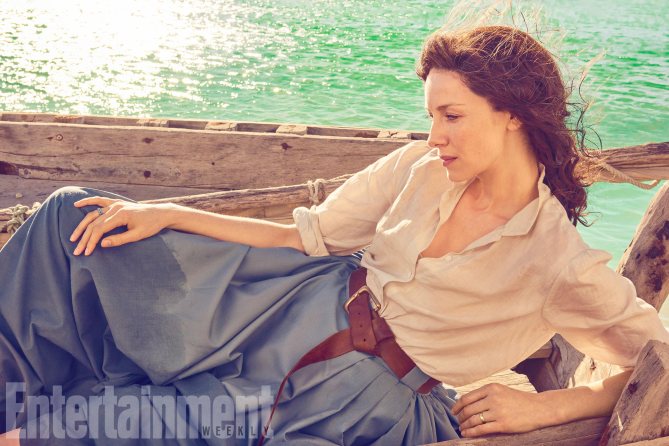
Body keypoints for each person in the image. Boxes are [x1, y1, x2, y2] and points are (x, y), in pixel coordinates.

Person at [1, 24, 668, 445]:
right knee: (72, 219)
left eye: (451, 115)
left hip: (352, 397)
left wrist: (549, 409)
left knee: (82, 427)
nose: (434, 135)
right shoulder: (419, 167)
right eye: (430, 115)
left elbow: (658, 361)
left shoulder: (557, 262)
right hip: (280, 309)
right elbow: (307, 237)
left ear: (513, 115)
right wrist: (169, 214)